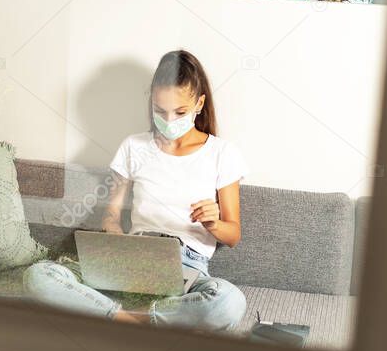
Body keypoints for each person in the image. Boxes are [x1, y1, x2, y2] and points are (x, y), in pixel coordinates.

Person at [24, 50, 248, 332]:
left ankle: (132, 321)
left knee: (228, 301)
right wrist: (114, 236)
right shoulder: (134, 146)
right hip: (132, 256)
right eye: (159, 111)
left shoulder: (221, 153)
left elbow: (233, 235)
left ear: (199, 103)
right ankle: (128, 321)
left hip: (187, 264)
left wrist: (213, 223)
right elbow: (112, 215)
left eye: (179, 112)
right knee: (39, 276)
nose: (169, 120)